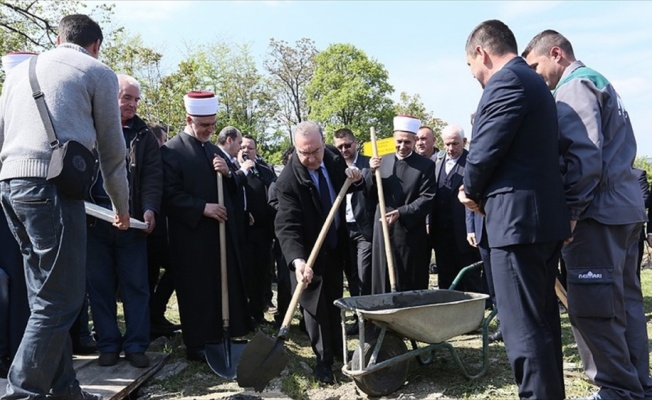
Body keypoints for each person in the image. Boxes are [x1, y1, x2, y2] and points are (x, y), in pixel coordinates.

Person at [0, 14, 130, 400]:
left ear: (58, 39)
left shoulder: (21, 71)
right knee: (62, 299)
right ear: (95, 45)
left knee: (45, 297)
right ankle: (22, 393)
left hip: (11, 187)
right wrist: (121, 206)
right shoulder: (98, 72)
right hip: (53, 190)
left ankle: (65, 390)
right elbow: (112, 149)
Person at [523, 29, 652, 400]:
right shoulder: (601, 81)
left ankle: (615, 389)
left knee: (594, 308)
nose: (534, 75)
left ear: (557, 53)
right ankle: (638, 384)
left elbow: (583, 155)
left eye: (535, 65)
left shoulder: (574, 87)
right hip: (623, 211)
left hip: (596, 215)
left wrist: (573, 211)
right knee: (624, 304)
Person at [459, 20, 570, 399]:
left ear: (482, 53)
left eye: (471, 66)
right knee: (541, 329)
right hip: (537, 224)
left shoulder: (506, 82)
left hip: (516, 226)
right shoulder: (534, 82)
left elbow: (483, 152)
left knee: (523, 333)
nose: (474, 75)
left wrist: (468, 191)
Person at [161, 91, 250, 362]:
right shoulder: (171, 151)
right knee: (196, 288)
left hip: (218, 234)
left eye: (212, 124)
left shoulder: (213, 149)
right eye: (204, 125)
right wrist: (203, 207)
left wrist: (228, 173)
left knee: (220, 284)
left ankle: (221, 332)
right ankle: (197, 342)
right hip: (191, 236)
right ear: (189, 119)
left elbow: (234, 185)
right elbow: (169, 194)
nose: (210, 130)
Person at [274, 121, 362, 384]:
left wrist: (354, 177)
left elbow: (345, 182)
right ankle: (323, 361)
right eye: (304, 153)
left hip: (334, 246)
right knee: (314, 309)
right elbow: (286, 226)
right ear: (296, 149)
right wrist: (298, 261)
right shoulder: (288, 181)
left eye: (315, 151)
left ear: (323, 144)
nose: (310, 158)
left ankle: (337, 350)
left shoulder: (333, 158)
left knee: (334, 301)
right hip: (307, 253)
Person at [85, 74, 161, 368]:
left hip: (132, 223)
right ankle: (107, 344)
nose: (132, 104)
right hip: (94, 221)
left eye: (136, 99)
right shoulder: (88, 126)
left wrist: (150, 209)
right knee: (99, 286)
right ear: (110, 97)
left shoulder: (144, 136)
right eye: (126, 97)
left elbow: (154, 177)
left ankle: (136, 345)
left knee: (136, 286)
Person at [368, 115, 436, 294]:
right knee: (382, 278)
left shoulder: (426, 166)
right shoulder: (381, 161)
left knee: (409, 280)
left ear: (414, 140)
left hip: (409, 231)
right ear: (393, 139)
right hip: (383, 228)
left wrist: (402, 212)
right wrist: (371, 173)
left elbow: (427, 198)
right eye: (399, 141)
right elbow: (368, 193)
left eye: (407, 142)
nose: (402, 146)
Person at [430, 124, 484, 293]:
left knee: (469, 275)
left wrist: (472, 229)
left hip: (464, 232)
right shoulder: (436, 162)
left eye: (455, 144)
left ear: (464, 141)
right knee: (446, 276)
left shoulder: (472, 162)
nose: (450, 148)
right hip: (441, 231)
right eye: (447, 144)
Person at [237, 134, 277, 326]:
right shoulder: (234, 171)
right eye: (242, 147)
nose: (246, 150)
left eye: (250, 148)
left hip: (264, 232)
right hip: (243, 233)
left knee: (262, 273)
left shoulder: (265, 171)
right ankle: (244, 316)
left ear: (256, 151)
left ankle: (258, 314)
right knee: (246, 275)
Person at [333, 128, 376, 298]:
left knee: (364, 272)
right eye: (340, 147)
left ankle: (367, 315)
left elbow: (372, 192)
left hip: (363, 229)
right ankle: (358, 313)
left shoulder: (369, 164)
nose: (344, 150)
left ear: (355, 143)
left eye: (347, 145)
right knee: (351, 273)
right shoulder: (335, 168)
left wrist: (371, 172)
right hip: (343, 229)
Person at [146, 123, 180, 337]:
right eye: (164, 140)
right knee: (150, 276)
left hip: (161, 229)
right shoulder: (152, 163)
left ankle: (155, 314)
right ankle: (151, 319)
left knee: (174, 268)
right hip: (150, 229)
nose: (166, 145)